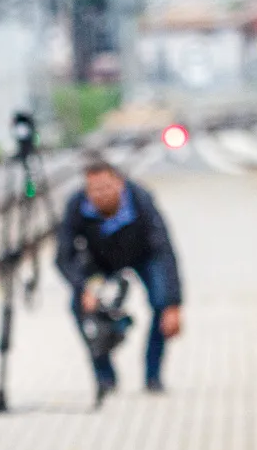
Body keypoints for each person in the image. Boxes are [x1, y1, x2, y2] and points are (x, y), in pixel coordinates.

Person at [54, 157, 182, 397]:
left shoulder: (142, 200)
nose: (100, 195)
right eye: (94, 190)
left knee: (161, 303)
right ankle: (105, 376)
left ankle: (153, 376)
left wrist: (174, 302)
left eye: (105, 187)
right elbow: (63, 256)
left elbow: (164, 249)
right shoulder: (76, 206)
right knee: (78, 308)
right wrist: (84, 288)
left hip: (143, 256)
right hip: (100, 262)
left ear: (120, 184)